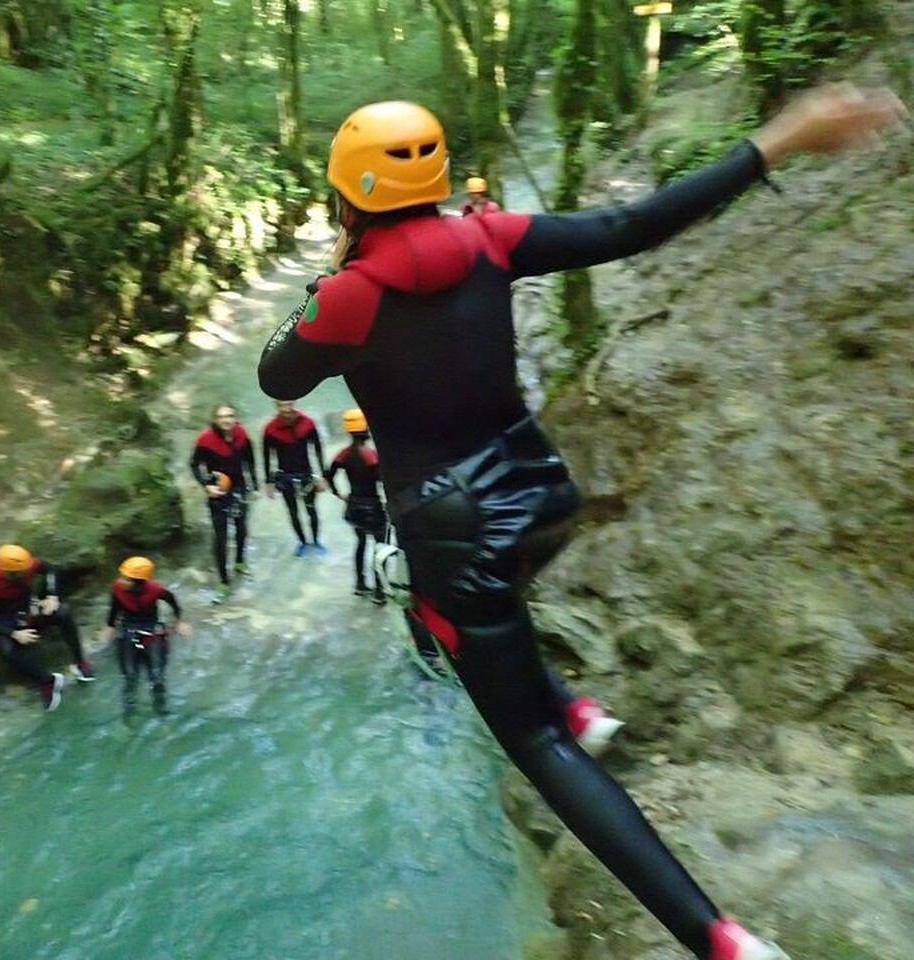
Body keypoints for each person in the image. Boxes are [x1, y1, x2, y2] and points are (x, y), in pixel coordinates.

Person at [258, 87, 905, 960]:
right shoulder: (492, 238)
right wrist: (782, 138)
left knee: (534, 741)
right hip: (540, 499)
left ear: (347, 197)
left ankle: (718, 938)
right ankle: (578, 707)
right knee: (466, 606)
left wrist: (326, 277)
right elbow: (631, 225)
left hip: (455, 531)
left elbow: (277, 376)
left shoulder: (350, 295)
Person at [0, 544, 96, 712]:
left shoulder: (24, 565)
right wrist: (14, 634)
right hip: (6, 616)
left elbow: (51, 570)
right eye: (22, 572)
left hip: (27, 604)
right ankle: (46, 681)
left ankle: (81, 662)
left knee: (63, 613)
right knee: (7, 651)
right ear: (9, 573)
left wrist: (52, 596)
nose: (29, 571)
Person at [98, 556, 192, 716]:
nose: (121, 580)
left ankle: (161, 711)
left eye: (126, 578)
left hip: (151, 628)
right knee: (130, 675)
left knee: (156, 676)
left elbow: (173, 602)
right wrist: (110, 627)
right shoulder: (118, 588)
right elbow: (114, 609)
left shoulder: (155, 589)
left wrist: (180, 621)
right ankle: (129, 713)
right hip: (128, 628)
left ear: (137, 582)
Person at [189, 403, 259, 594]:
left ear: (235, 418)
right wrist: (206, 486)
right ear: (215, 419)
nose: (226, 420)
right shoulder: (206, 439)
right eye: (221, 417)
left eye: (229, 416)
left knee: (241, 527)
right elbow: (194, 464)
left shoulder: (242, 435)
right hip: (218, 491)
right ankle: (223, 580)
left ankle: (240, 561)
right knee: (220, 536)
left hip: (239, 488)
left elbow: (250, 462)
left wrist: (254, 486)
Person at [324, 408, 387, 601]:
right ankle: (379, 590)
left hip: (353, 507)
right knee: (380, 548)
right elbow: (382, 480)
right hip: (373, 508)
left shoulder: (343, 454)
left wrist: (338, 494)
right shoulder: (371, 456)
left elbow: (328, 475)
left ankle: (360, 584)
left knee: (360, 543)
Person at [262, 399, 328, 557]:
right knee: (293, 512)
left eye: (289, 404)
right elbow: (267, 456)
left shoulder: (307, 423)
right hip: (285, 476)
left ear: (294, 402)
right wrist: (269, 482)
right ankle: (303, 542)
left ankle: (316, 541)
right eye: (282, 405)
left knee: (311, 510)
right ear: (276, 405)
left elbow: (317, 450)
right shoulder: (270, 429)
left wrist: (323, 476)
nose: (286, 408)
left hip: (306, 474)